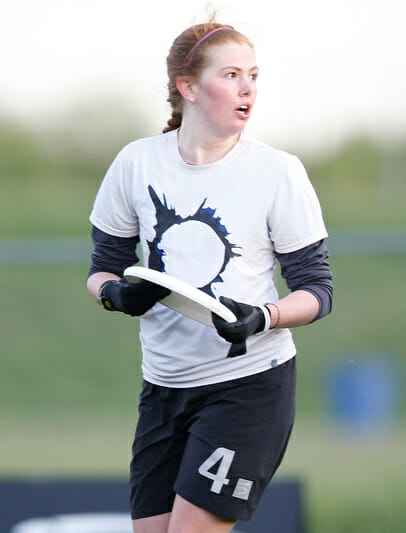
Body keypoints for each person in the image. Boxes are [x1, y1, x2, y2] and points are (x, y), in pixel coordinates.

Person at [86, 19, 332, 533]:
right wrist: (115, 295)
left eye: (254, 75)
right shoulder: (136, 162)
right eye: (233, 74)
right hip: (163, 388)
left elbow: (317, 292)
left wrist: (263, 317)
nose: (249, 89)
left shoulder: (278, 171)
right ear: (188, 88)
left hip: (247, 386)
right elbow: (102, 267)